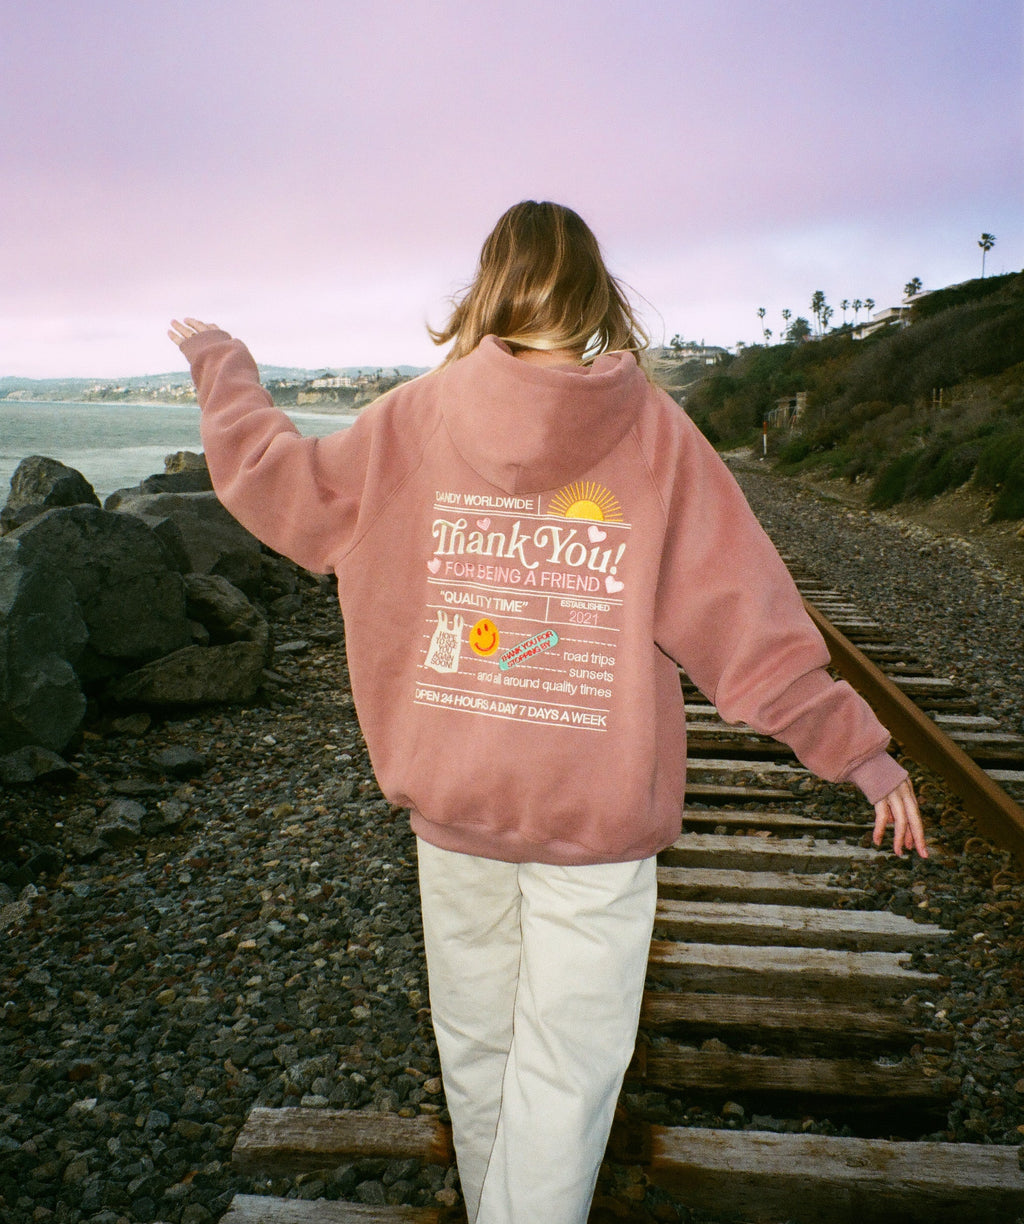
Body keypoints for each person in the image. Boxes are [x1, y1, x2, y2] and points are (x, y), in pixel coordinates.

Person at [169, 199, 927, 1224]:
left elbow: (276, 483)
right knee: (566, 1075)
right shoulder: (655, 434)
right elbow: (738, 617)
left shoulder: (411, 419)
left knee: (478, 1052)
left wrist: (222, 367)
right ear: (594, 296)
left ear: (490, 289)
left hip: (455, 804)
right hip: (595, 819)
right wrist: (858, 751)